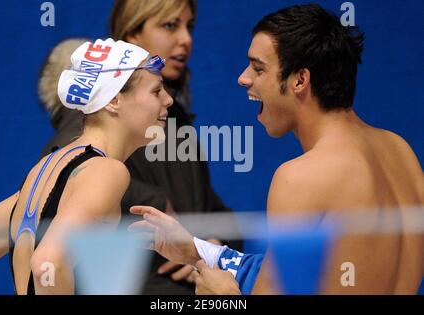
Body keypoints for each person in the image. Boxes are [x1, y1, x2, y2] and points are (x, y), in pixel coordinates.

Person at [129, 4, 424, 295]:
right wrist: (199, 251)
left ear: (299, 80)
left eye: (258, 68)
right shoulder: (400, 151)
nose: (243, 78)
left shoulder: (301, 177)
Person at [39, 0, 240, 294]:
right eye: (169, 25)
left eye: (189, 26)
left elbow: (205, 206)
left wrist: (207, 247)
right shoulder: (99, 107)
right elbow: (63, 167)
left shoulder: (173, 118)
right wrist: (158, 208)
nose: (185, 39)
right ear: (132, 34)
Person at [0, 38, 173, 294]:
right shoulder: (106, 171)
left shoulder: (45, 171)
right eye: (156, 91)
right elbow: (48, 261)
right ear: (113, 100)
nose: (168, 100)